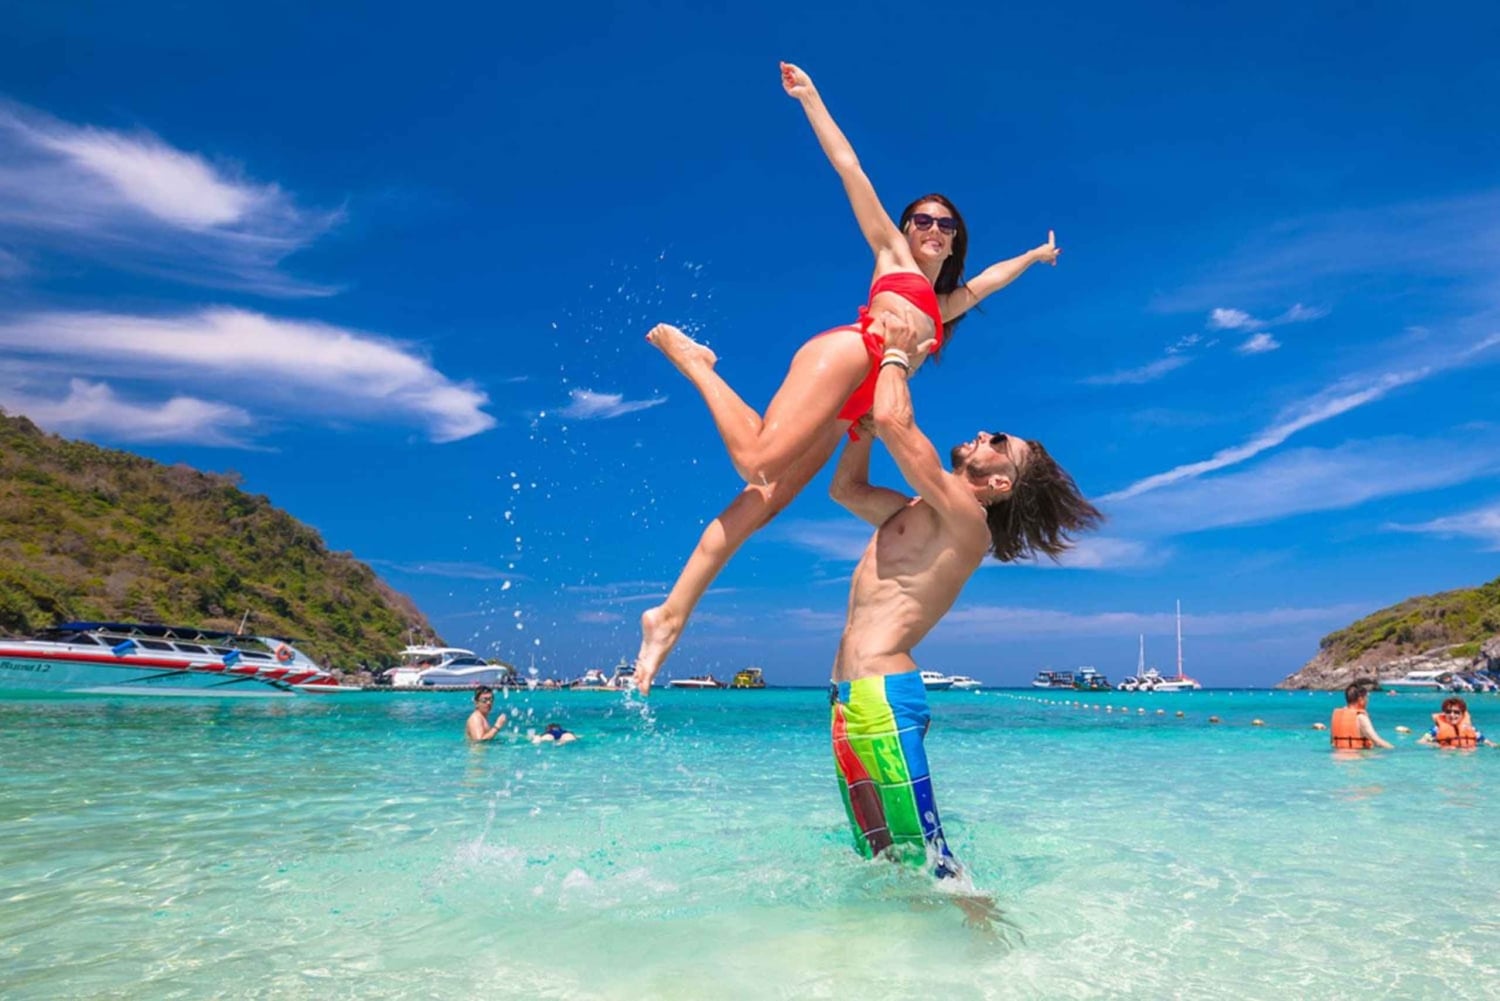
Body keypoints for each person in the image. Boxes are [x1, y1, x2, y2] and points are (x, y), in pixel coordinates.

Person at [634, 62, 1061, 692]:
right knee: (756, 460)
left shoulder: (944, 307)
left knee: (763, 503)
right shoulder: (890, 251)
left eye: (946, 225)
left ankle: (669, 616)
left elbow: (990, 279)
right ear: (907, 228)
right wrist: (810, 99)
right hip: (853, 354)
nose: (934, 230)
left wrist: (1034, 255)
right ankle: (700, 366)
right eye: (924, 220)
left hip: (862, 401)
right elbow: (851, 170)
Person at [827, 318, 1101, 885]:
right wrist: (859, 431)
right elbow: (845, 489)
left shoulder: (968, 521)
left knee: (932, 860)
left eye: (999, 443)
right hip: (845, 699)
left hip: (882, 693)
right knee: (877, 859)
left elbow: (899, 427)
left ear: (1000, 485)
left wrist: (895, 357)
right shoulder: (913, 510)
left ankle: (992, 947)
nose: (985, 433)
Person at [1329, 683, 1393, 749]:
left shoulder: (1336, 716)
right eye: (1366, 698)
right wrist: (1394, 749)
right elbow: (1377, 742)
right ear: (1360, 700)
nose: (1367, 701)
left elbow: (1332, 742)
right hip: (1356, 757)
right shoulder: (1360, 717)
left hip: (1337, 757)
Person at [1418, 697, 1497, 748]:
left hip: (1467, 762)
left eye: (1456, 712)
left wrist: (1493, 745)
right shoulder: (1436, 729)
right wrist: (1438, 745)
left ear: (1462, 714)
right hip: (1446, 760)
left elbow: (1486, 741)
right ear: (1444, 713)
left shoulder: (1471, 728)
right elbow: (1421, 742)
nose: (1452, 715)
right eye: (1448, 712)